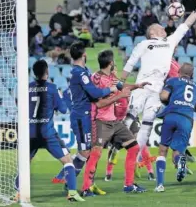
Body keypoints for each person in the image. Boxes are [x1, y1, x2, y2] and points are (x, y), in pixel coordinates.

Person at [119, 0, 196, 169]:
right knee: (129, 119)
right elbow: (130, 64)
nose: (164, 30)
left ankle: (135, 158)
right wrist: (119, 84)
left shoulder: (170, 42)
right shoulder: (144, 43)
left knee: (147, 124)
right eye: (161, 29)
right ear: (152, 32)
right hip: (141, 87)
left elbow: (186, 25)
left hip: (156, 90)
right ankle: (115, 143)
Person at [14, 60, 84, 202]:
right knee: (68, 161)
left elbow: (20, 106)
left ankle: (18, 194)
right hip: (47, 132)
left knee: (25, 164)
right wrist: (63, 97)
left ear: (33, 73)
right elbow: (63, 109)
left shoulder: (26, 88)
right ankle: (72, 192)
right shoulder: (52, 88)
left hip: (31, 133)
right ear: (47, 71)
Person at [52, 42, 118, 194]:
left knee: (86, 151)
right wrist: (112, 89)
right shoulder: (80, 73)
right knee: (85, 152)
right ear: (84, 55)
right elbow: (94, 93)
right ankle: (72, 182)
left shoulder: (82, 71)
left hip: (86, 115)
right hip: (81, 116)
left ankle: (74, 182)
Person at [82, 50, 149, 195]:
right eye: (114, 61)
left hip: (115, 122)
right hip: (101, 121)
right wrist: (120, 96)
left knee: (133, 147)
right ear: (111, 63)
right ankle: (86, 188)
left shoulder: (111, 76)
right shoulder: (97, 79)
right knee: (96, 153)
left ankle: (129, 185)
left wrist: (137, 86)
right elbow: (99, 104)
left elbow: (121, 86)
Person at [154, 63, 196, 192]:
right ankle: (180, 160)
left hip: (171, 115)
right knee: (177, 152)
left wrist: (170, 101)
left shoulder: (173, 80)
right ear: (192, 75)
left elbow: (163, 96)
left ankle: (159, 185)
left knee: (162, 151)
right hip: (186, 119)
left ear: (179, 71)